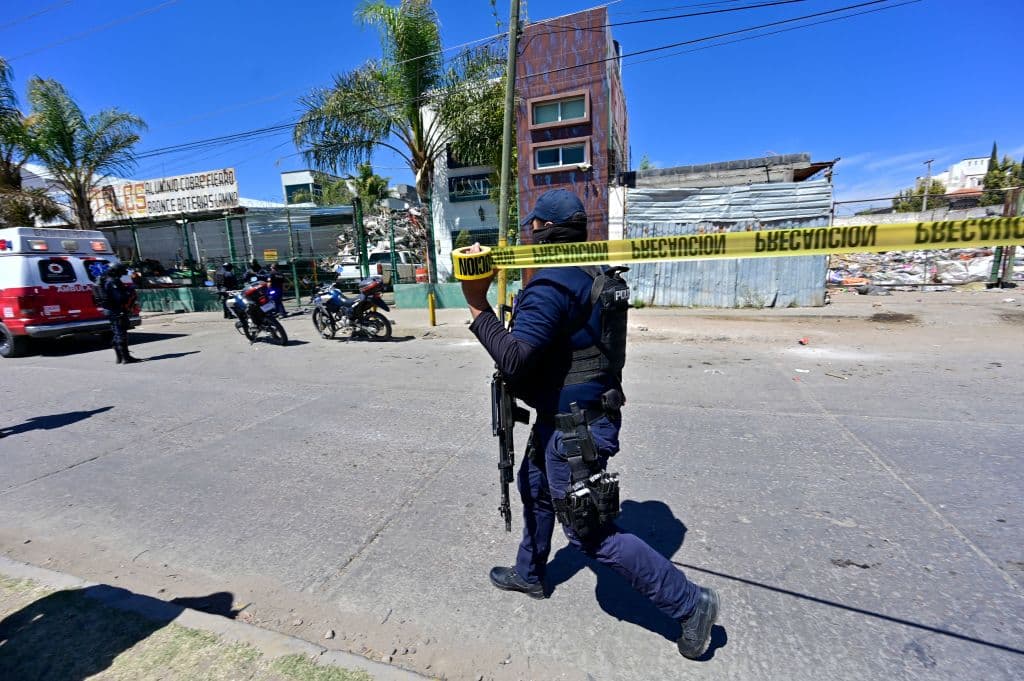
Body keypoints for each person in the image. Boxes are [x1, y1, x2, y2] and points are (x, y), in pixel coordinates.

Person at [461, 189, 720, 660]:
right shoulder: (591, 269)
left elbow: (515, 358)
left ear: (542, 230)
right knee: (535, 487)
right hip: (575, 414)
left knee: (589, 531)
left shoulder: (551, 284)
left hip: (574, 428)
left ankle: (689, 604)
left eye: (531, 228)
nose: (528, 235)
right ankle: (531, 573)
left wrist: (477, 305)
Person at [101, 262, 141, 364]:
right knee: (120, 333)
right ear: (116, 271)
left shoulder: (107, 279)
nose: (123, 273)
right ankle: (125, 358)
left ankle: (120, 357)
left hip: (110, 309)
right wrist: (130, 291)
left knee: (116, 332)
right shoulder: (112, 281)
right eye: (121, 271)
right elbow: (120, 298)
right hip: (115, 310)